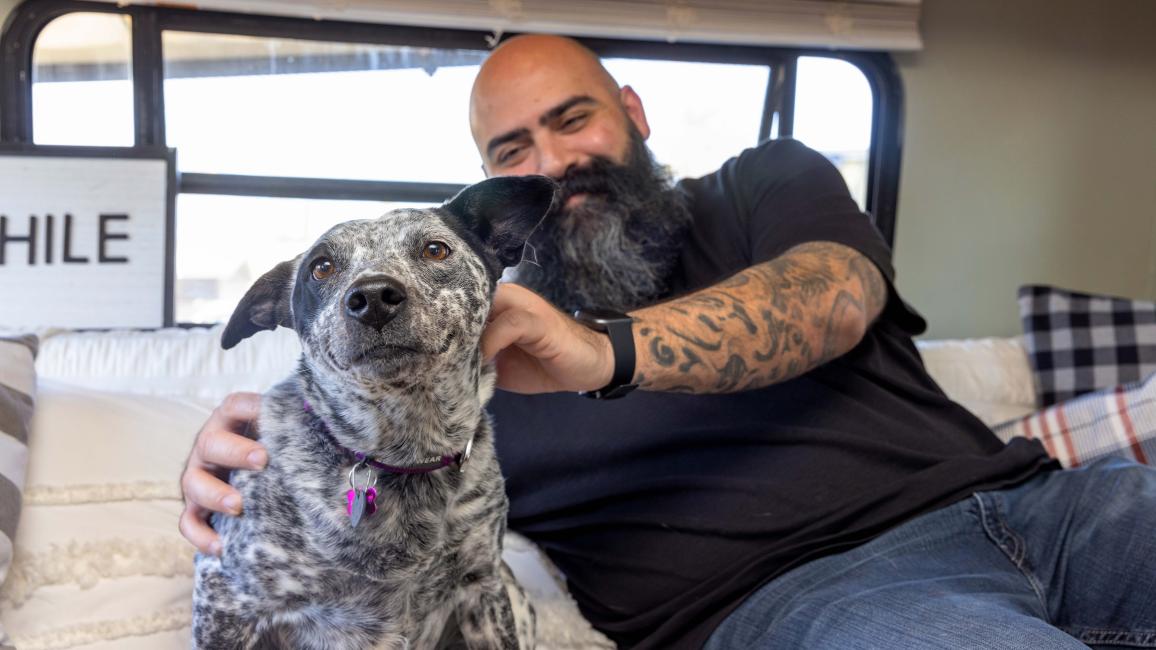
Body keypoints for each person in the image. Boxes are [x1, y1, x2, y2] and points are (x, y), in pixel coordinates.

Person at [180, 35, 1156, 649]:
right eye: (513, 151)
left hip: (1050, 505)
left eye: (572, 120)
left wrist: (601, 350)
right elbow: (359, 467)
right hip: (807, 601)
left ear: (633, 112)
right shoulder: (464, 360)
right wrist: (250, 458)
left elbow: (835, 297)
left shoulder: (762, 182)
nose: (553, 165)